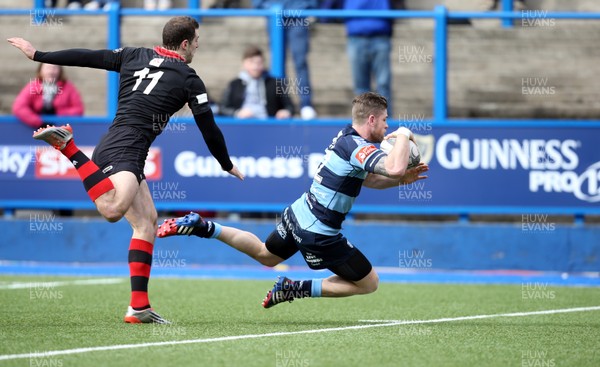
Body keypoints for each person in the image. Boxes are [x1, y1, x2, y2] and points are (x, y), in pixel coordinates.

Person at [8, 16, 244, 324]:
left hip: (119, 144)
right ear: (185, 44)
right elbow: (209, 129)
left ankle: (139, 307)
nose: (198, 45)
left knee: (146, 222)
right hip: (126, 149)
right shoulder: (190, 79)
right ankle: (69, 148)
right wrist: (226, 164)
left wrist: (40, 55)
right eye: (196, 41)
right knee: (113, 208)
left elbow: (87, 57)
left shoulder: (134, 55)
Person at [157, 92, 429, 308]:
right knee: (369, 283)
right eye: (385, 121)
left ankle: (203, 227)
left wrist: (400, 181)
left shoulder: (347, 137)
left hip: (299, 213)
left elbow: (370, 179)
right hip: (318, 231)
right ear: (371, 119)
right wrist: (404, 134)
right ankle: (294, 288)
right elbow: (393, 167)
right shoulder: (357, 146)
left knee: (266, 254)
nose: (387, 126)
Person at [253, 0, 318, 120]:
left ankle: (305, 104)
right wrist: (266, 6)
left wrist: (306, 6)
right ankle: (281, 104)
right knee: (278, 62)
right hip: (275, 13)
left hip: (298, 13)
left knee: (300, 61)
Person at [344, 0, 394, 115]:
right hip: (357, 36)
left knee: (383, 85)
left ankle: (385, 124)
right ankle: (363, 127)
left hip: (380, 36)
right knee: (361, 88)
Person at [220, 45, 295, 119]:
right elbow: (223, 108)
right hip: (242, 124)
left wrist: (286, 112)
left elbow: (290, 107)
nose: (255, 66)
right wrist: (237, 113)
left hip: (267, 124)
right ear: (244, 63)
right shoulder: (234, 84)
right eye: (251, 62)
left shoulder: (275, 83)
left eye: (259, 63)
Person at [12, 63, 84, 129]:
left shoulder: (68, 87)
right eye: (48, 68)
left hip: (61, 131)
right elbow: (19, 108)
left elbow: (78, 109)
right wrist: (39, 122)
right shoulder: (33, 86)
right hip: (36, 130)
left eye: (54, 68)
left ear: (60, 71)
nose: (51, 72)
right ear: (40, 70)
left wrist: (57, 113)